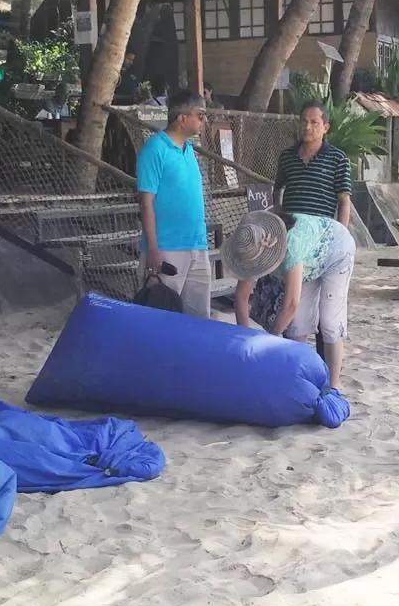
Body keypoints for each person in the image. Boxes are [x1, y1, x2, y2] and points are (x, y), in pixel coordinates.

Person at [227, 210, 355, 391]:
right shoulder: (250, 246)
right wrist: (245, 342)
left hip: (337, 252)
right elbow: (241, 297)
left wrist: (269, 342)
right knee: (296, 328)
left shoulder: (291, 246)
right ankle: (296, 378)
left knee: (330, 324)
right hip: (309, 261)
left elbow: (291, 304)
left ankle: (333, 386)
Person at [136, 89, 211, 317]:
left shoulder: (189, 150)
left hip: (197, 246)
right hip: (167, 247)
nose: (204, 120)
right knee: (161, 318)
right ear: (182, 118)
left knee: (200, 320)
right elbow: (146, 203)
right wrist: (153, 247)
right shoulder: (154, 149)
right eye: (200, 114)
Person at [275, 102, 352, 226]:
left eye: (314, 122)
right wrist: (278, 212)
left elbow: (344, 200)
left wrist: (340, 233)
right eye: (304, 121)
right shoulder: (287, 156)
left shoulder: (338, 159)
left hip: (320, 233)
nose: (307, 127)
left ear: (325, 128)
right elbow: (278, 187)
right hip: (290, 231)